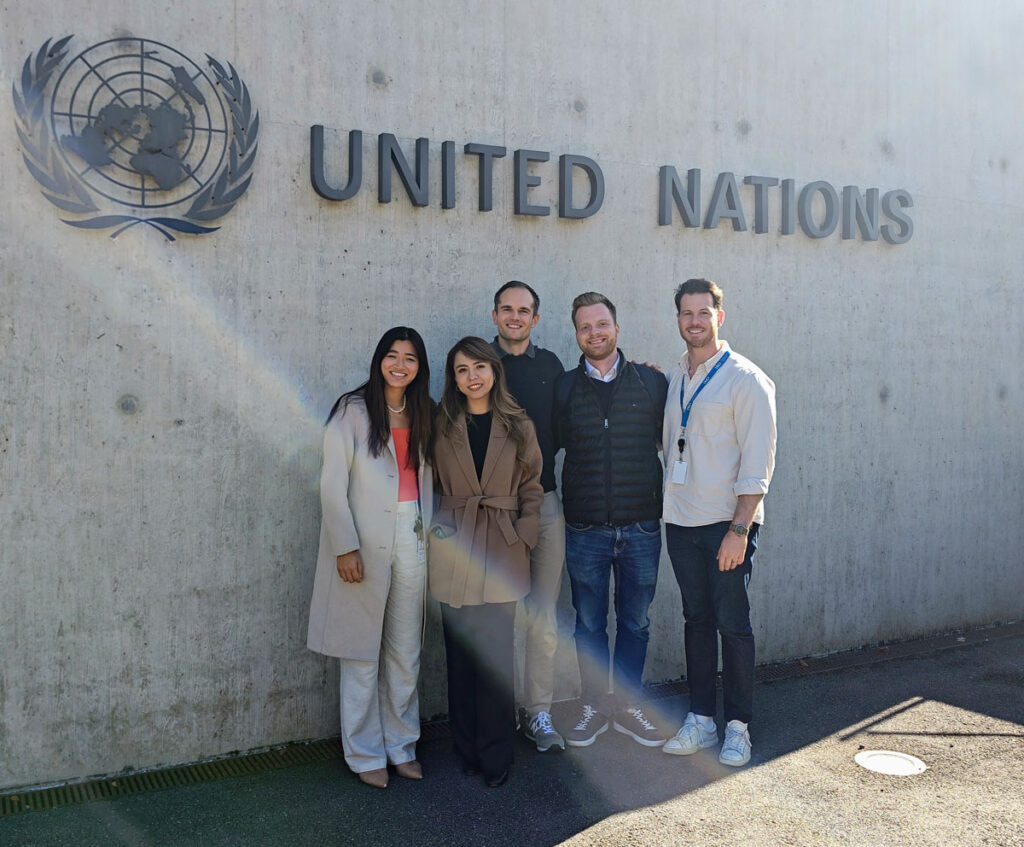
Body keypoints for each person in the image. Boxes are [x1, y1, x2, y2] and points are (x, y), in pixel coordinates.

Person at [306, 327, 434, 790]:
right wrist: (345, 546)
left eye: (410, 358)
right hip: (364, 539)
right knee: (360, 650)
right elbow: (331, 483)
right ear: (379, 359)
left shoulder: (425, 411)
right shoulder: (353, 410)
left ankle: (401, 746)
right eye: (392, 356)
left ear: (420, 367)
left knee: (405, 650)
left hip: (412, 536)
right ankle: (364, 752)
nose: (400, 365)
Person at [660, 278, 776, 767]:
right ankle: (702, 719)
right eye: (687, 313)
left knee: (733, 625)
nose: (695, 321)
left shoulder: (746, 379)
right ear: (678, 319)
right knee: (697, 621)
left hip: (726, 526)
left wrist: (739, 530)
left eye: (703, 313)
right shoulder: (675, 376)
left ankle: (738, 727)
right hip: (680, 522)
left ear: (719, 317)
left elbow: (758, 462)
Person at [553, 292, 669, 748]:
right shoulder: (564, 388)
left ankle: (627, 706)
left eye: (602, 324)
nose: (595, 333)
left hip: (641, 526)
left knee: (635, 622)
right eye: (585, 327)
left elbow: (671, 441)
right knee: (588, 626)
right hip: (585, 529)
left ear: (616, 328)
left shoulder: (651, 382)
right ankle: (594, 706)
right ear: (576, 334)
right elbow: (550, 444)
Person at [428, 336, 543, 787]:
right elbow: (428, 481)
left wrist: (524, 533)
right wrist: (437, 530)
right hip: (455, 544)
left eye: (479, 366)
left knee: (495, 658)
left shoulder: (518, 424)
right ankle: (467, 749)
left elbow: (533, 484)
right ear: (453, 379)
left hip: (502, 545)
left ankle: (497, 754)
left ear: (494, 371)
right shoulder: (441, 425)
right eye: (462, 369)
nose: (472, 377)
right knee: (460, 658)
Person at [490, 281, 567, 752]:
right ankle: (499, 717)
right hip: (495, 507)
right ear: (495, 315)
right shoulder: (480, 363)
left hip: (546, 503)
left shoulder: (551, 366)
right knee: (497, 617)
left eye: (524, 311)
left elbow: (570, 421)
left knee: (542, 617)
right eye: (507, 309)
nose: (515, 317)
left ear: (535, 319)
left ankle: (538, 713)